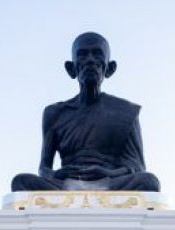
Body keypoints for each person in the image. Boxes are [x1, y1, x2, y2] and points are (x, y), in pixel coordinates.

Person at [11, 32, 160, 193]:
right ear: (71, 68)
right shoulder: (54, 113)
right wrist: (57, 174)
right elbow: (44, 168)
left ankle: (97, 189)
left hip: (109, 183)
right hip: (67, 184)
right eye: (82, 55)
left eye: (97, 54)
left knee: (149, 181)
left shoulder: (126, 111)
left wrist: (108, 173)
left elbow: (137, 166)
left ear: (110, 68)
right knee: (20, 182)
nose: (90, 60)